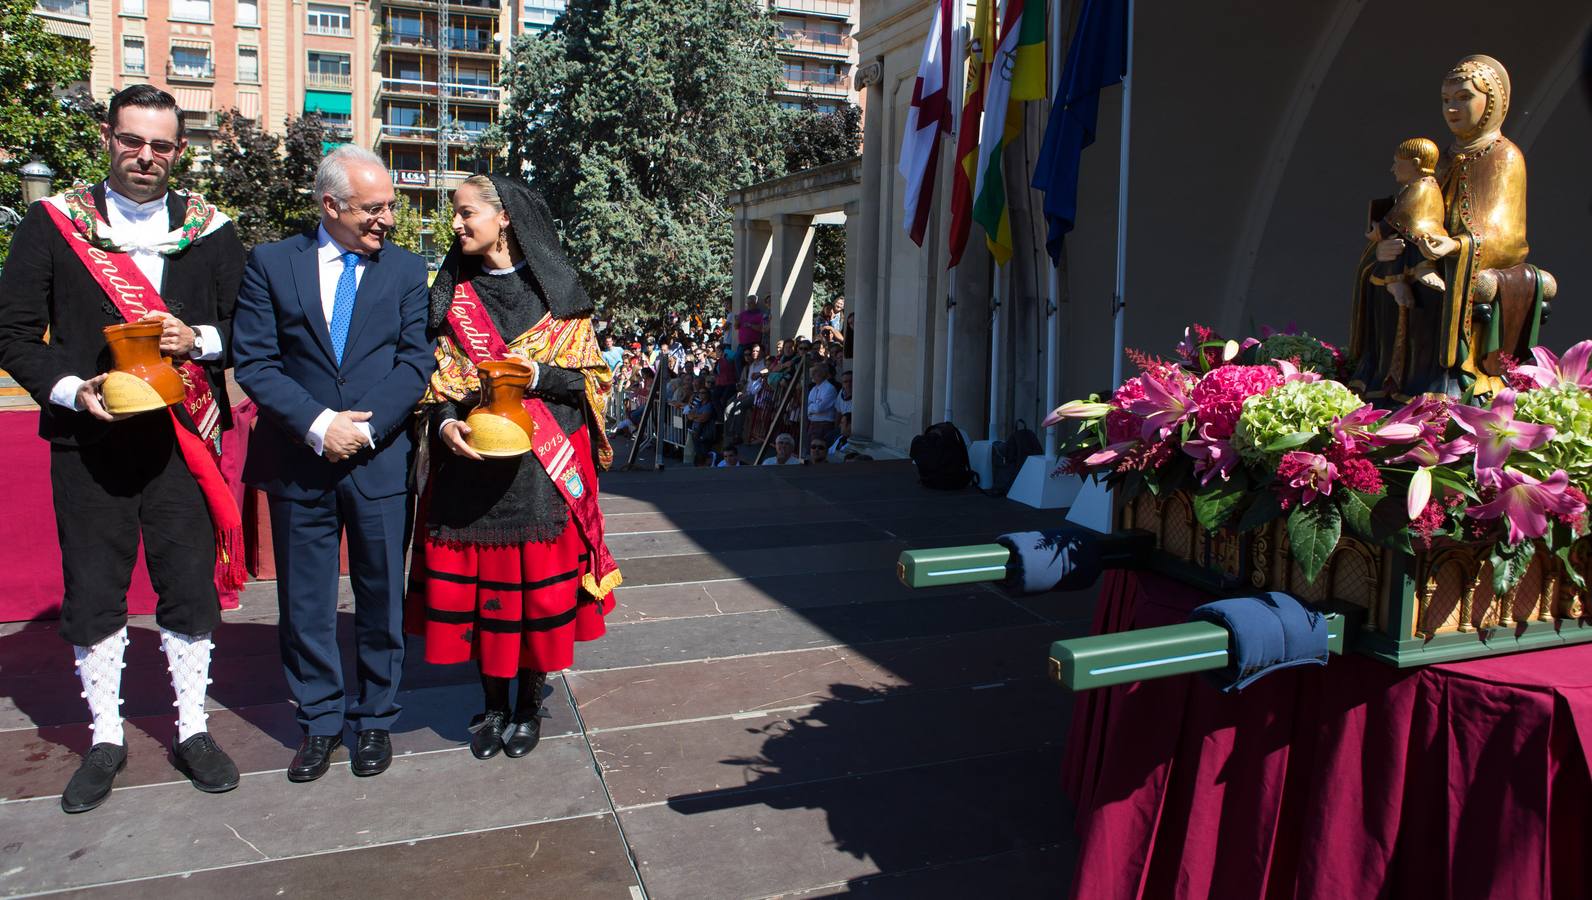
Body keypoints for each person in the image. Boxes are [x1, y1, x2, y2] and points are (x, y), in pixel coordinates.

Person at [0, 85, 246, 813]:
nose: (146, 156)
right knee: (95, 594)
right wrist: (75, 389)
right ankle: (105, 737)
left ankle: (193, 730)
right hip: (89, 439)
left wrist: (196, 339)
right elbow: (12, 332)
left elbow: (249, 327)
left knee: (189, 589)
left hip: (181, 442)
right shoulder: (51, 225)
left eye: (162, 145)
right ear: (108, 137)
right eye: (133, 140)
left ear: (179, 150)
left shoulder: (213, 231)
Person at [233, 145, 435, 783]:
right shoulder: (270, 263)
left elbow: (416, 363)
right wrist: (320, 426)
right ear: (330, 206)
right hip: (300, 463)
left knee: (381, 597)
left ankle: (375, 717)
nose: (387, 221)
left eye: (391, 208)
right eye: (373, 209)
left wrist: (363, 430)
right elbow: (256, 362)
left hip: (378, 462)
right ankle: (319, 722)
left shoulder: (406, 271)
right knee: (305, 604)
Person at [406, 174, 621, 761]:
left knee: (532, 598)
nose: (456, 224)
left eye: (466, 212)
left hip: (540, 474)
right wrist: (446, 423)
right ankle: (492, 704)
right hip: (470, 470)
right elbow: (439, 383)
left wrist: (538, 377)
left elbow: (592, 382)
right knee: (483, 599)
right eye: (456, 214)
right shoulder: (452, 294)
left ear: (504, 218)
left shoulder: (558, 294)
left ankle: (527, 705)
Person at [806, 363, 839, 447]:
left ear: (823, 373)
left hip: (824, 425)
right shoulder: (814, 389)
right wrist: (812, 406)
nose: (812, 375)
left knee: (820, 449)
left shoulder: (829, 388)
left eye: (815, 372)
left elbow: (819, 408)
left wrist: (811, 407)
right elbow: (806, 406)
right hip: (813, 424)